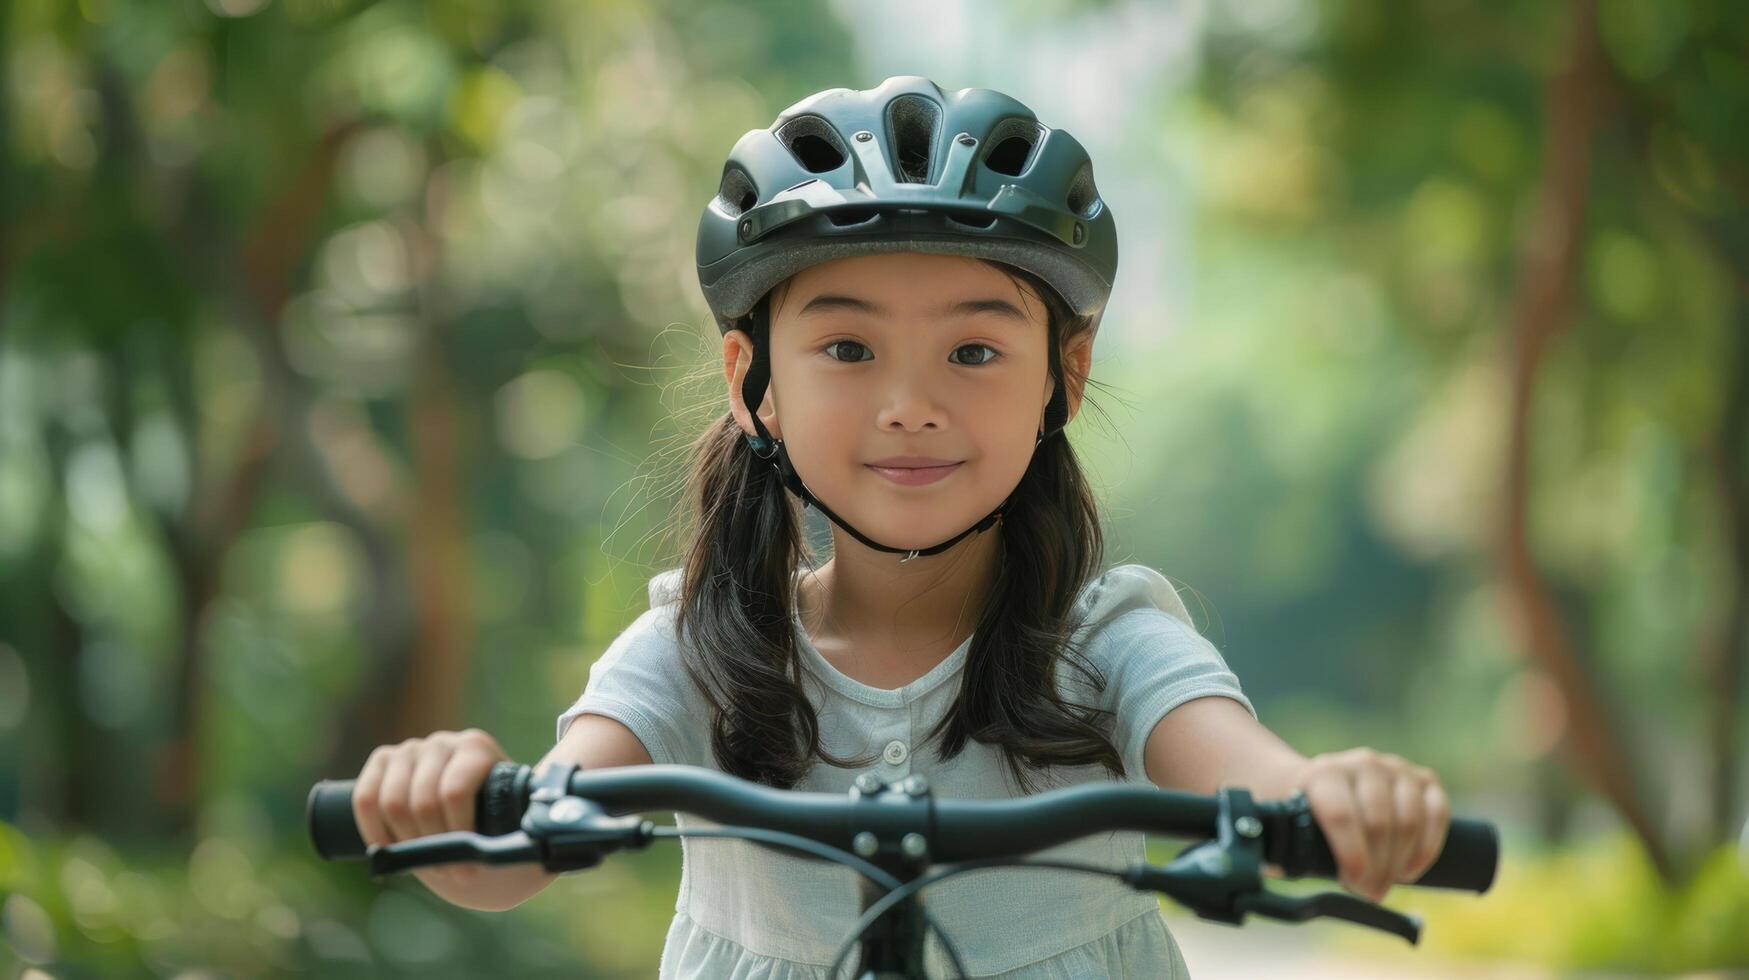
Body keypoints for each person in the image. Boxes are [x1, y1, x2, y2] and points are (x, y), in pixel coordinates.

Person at [349, 76, 1453, 977]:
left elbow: (1248, 771)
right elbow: (512, 852)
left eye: (974, 350)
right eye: (847, 348)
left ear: (1064, 376)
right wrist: (445, 798)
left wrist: (1329, 796)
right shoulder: (701, 650)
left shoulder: (1108, 643)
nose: (909, 404)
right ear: (755, 379)